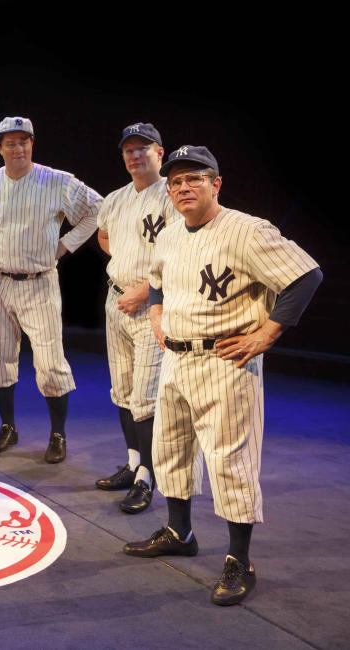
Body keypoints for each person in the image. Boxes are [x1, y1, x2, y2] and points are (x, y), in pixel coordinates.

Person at [123, 145, 322, 606]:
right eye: (175, 182)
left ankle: (239, 560)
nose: (183, 188)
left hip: (225, 361)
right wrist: (156, 314)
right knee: (170, 450)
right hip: (176, 357)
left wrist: (267, 334)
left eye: (194, 179)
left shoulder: (247, 230)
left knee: (230, 463)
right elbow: (156, 280)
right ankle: (179, 530)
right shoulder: (171, 233)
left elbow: (305, 276)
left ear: (216, 184)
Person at [0, 117, 102, 462]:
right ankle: (8, 427)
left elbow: (97, 209)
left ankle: (58, 433)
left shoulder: (57, 181)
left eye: (24, 141)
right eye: (10, 142)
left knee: (51, 363)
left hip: (39, 282)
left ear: (32, 144)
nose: (17, 148)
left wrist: (66, 245)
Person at [94, 123, 176, 514]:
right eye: (128, 150)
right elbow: (104, 236)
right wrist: (123, 270)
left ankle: (148, 477)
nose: (134, 156)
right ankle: (131, 464)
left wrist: (144, 289)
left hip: (152, 307)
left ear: (160, 152)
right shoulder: (114, 198)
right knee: (123, 392)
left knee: (145, 399)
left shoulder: (172, 195)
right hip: (117, 303)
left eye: (142, 149)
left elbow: (182, 251)